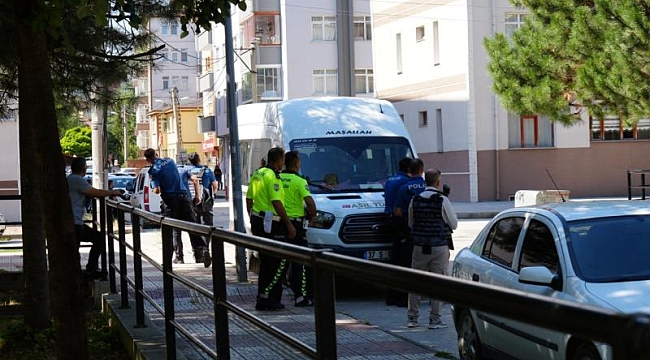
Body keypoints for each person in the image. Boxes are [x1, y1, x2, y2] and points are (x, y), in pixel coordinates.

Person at [406, 168, 458, 329]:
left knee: (415, 282)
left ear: (424, 181)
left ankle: (412, 319)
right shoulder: (442, 200)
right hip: (439, 246)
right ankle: (435, 319)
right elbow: (454, 224)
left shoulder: (415, 199)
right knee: (438, 282)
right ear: (438, 182)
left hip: (419, 246)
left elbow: (410, 223)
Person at [246, 147, 296, 310]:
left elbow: (249, 199)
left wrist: (252, 218)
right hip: (272, 224)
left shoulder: (258, 173)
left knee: (266, 262)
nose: (283, 163)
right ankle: (271, 298)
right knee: (277, 262)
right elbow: (276, 202)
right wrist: (288, 223)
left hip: (258, 221)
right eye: (282, 160)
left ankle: (263, 297)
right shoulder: (273, 176)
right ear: (279, 160)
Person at [144, 148, 212, 268]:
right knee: (192, 225)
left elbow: (157, 190)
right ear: (157, 154)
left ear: (148, 160)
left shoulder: (153, 170)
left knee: (169, 230)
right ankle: (202, 249)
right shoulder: (170, 161)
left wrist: (154, 187)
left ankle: (168, 260)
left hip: (170, 201)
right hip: (184, 197)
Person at [68, 157, 124, 279]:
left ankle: (87, 271)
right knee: (97, 240)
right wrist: (112, 192)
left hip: (74, 222)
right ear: (84, 168)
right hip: (74, 223)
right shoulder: (77, 180)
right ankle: (87, 271)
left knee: (97, 239)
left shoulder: (70, 179)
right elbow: (96, 192)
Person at [280, 151, 317, 307]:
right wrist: (313, 216)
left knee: (280, 261)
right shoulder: (299, 181)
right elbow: (309, 202)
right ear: (296, 163)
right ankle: (301, 296)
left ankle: (274, 295)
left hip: (280, 223)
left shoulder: (277, 178)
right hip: (295, 224)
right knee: (300, 261)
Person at [389, 158, 426, 307]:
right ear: (421, 170)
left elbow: (397, 211)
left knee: (406, 262)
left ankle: (404, 299)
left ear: (409, 171)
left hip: (408, 230)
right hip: (431, 234)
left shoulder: (403, 187)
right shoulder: (430, 188)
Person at [383, 157, 412, 306]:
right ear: (409, 169)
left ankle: (392, 296)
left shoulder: (390, 179)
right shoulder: (406, 182)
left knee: (394, 258)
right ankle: (402, 297)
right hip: (400, 221)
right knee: (404, 260)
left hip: (389, 220)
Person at [189, 153, 218, 228]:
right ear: (199, 160)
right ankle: (206, 239)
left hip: (192, 199)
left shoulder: (188, 171)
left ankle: (197, 238)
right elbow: (214, 185)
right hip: (206, 199)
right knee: (208, 222)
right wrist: (214, 194)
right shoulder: (207, 171)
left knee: (195, 222)